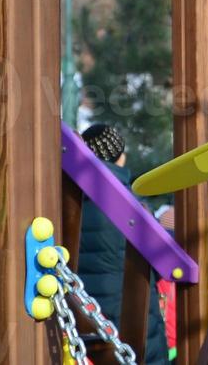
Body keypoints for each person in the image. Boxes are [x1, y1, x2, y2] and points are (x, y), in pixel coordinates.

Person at [77, 123, 169, 364]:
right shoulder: (134, 205)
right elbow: (161, 263)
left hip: (82, 318)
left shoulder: (67, 202)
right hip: (134, 322)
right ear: (121, 158)